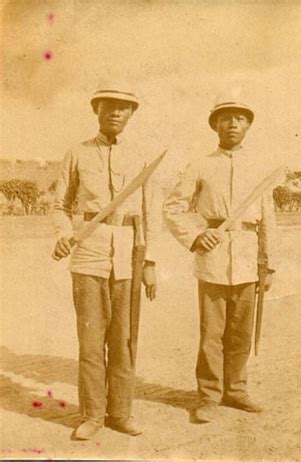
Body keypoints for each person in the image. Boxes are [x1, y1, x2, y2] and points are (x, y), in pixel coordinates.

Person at [52, 85, 161, 440]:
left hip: (130, 255)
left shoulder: (143, 157)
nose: (116, 112)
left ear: (132, 114)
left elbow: (149, 212)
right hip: (88, 257)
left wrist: (150, 262)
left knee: (125, 339)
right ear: (96, 110)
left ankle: (121, 412)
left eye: (124, 108)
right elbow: (60, 205)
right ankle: (93, 415)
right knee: (90, 341)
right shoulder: (77, 153)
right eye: (109, 106)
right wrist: (62, 234)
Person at [163, 95, 277, 423]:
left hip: (247, 258)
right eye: (225, 118)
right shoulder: (199, 165)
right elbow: (173, 208)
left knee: (240, 332)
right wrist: (197, 235)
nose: (232, 124)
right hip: (212, 257)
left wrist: (269, 264)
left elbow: (268, 219)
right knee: (212, 332)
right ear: (215, 124)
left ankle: (236, 390)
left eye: (240, 118)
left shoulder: (261, 169)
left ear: (248, 125)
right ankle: (209, 395)